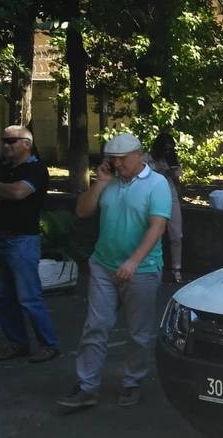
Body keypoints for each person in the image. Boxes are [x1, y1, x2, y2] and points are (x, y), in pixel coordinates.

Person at [58, 133, 172, 409]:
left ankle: (133, 381)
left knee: (138, 332)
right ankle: (86, 386)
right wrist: (99, 183)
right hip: (103, 264)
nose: (117, 164)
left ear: (139, 155)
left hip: (142, 269)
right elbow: (82, 211)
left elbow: (158, 226)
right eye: (113, 159)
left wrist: (133, 261)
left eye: (122, 159)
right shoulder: (109, 180)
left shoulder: (157, 184)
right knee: (95, 326)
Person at [0, 126, 61, 363]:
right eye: (4, 140)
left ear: (27, 144)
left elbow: (19, 192)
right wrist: (4, 189)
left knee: (29, 297)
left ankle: (48, 344)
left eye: (11, 141)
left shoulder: (37, 169)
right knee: (2, 297)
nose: (5, 145)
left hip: (22, 240)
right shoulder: (3, 167)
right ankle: (17, 343)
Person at [147, 132, 184, 283]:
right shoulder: (148, 158)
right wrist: (159, 170)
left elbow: (178, 180)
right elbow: (144, 175)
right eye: (165, 149)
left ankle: (177, 269)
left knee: (176, 235)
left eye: (170, 149)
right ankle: (154, 268)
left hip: (170, 196)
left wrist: (172, 171)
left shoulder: (173, 158)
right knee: (154, 234)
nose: (167, 152)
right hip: (152, 197)